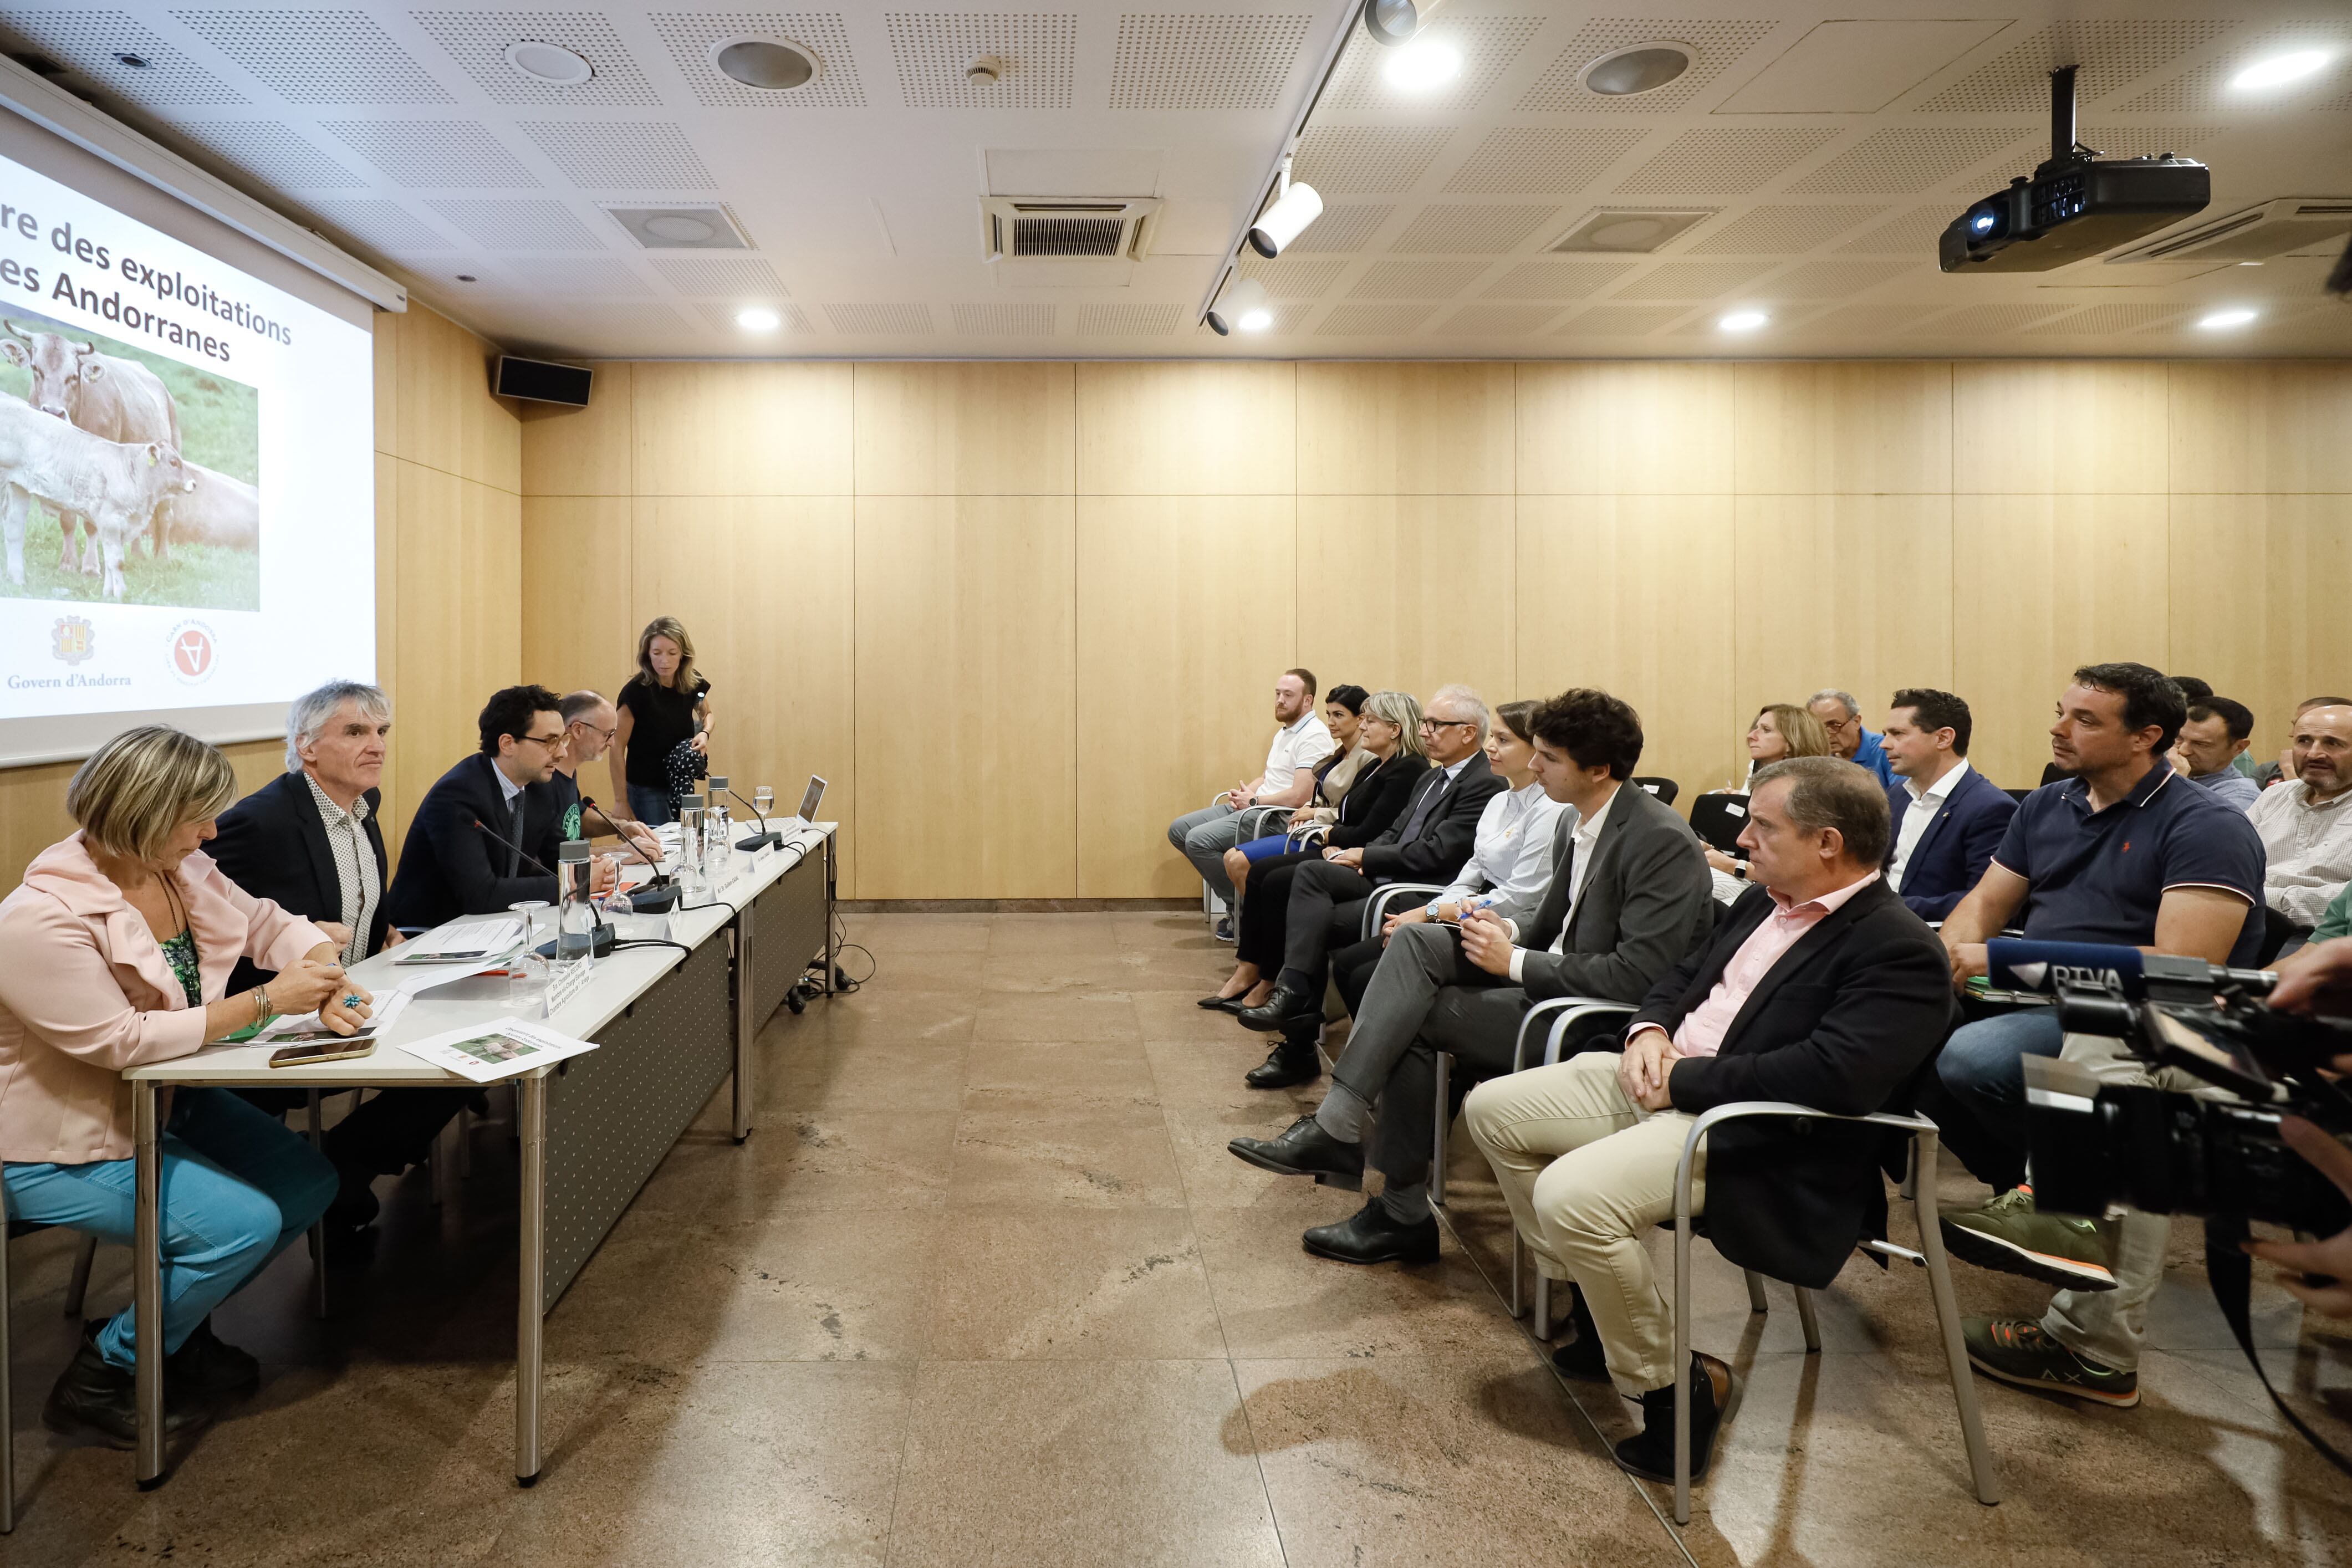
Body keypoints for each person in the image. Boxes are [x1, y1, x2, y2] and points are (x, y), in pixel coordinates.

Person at [1461, 757, 1950, 1482]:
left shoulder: (1896, 945)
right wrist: (1648, 1033)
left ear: (1826, 842)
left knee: (1571, 1195)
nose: (1740, 838)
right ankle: (1606, 1311)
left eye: (1762, 825)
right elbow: (1678, 978)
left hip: (1751, 1127)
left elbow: (1834, 1075)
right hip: (1665, 1077)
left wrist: (1683, 1079)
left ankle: (1674, 1386)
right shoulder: (1762, 899)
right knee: (1493, 1111)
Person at [1229, 689, 1716, 1268]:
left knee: (1411, 1023)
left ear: (1599, 769)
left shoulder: (1656, 838)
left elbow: (1640, 976)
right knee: (1415, 941)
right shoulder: (1582, 824)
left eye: (1548, 758)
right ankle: (1349, 1141)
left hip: (1591, 1020)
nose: (1533, 766)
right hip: (1549, 980)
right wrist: (1497, 925)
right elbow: (1548, 922)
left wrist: (1510, 960)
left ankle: (1388, 1196)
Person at [0, 726, 366, 1444]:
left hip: (164, 1099)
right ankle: (106, 1371)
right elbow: (120, 1042)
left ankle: (172, 1325)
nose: (211, 831)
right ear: (137, 812)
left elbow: (268, 924)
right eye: (193, 816)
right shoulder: (36, 920)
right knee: (241, 1227)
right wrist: (267, 1002)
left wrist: (325, 976)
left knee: (306, 1183)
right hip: (55, 1139)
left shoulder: (179, 869)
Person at [1930, 663, 2264, 1409]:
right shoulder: (2046, 803)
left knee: (2092, 1057)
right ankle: (2048, 1208)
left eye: (2084, 719)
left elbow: (2181, 967)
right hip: (2050, 1000)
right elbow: (1982, 903)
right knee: (1936, 1047)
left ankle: (2073, 1268)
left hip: (2179, 1020)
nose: (2057, 729)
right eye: (2060, 711)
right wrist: (1954, 953)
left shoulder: (2204, 825)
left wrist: (2011, 961)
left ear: (2146, 736)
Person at [208, 681, 439, 1242]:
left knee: (453, 1063)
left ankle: (345, 1166)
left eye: (381, 732)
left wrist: (379, 929)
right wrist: (299, 942)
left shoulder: (364, 807)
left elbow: (358, 902)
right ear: (306, 746)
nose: (377, 745)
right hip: (274, 1024)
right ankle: (336, 1178)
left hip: (355, 998)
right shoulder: (259, 821)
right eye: (357, 731)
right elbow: (198, 917)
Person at [1237, 697, 1564, 1089]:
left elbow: (1489, 880)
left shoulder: (1514, 796)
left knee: (1346, 956)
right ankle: (1305, 1028)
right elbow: (1465, 867)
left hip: (1475, 913)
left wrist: (1428, 909)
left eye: (1502, 740)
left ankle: (1377, 1075)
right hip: (1441, 899)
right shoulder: (1490, 796)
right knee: (1305, 895)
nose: (1490, 745)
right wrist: (1387, 873)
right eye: (1492, 737)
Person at [1231, 685, 1502, 1033]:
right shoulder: (1433, 776)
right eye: (1424, 723)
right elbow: (1396, 831)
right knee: (1306, 885)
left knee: (1307, 908)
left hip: (1418, 887)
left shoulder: (1483, 784)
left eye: (1435, 725)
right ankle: (1292, 1001)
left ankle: (1294, 1011)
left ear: (1467, 733)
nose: (1423, 731)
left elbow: (1438, 851)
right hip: (1386, 872)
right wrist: (1359, 856)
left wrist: (1368, 855)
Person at [1203, 691, 1426, 1018]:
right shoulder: (1378, 766)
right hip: (1342, 847)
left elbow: (1370, 831)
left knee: (1276, 879)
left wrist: (1331, 835)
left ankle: (1271, 979)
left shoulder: (1406, 770)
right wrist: (1334, 834)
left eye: (1370, 721)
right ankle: (1250, 968)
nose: (1363, 728)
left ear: (1394, 729)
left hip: (1365, 862)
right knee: (1260, 873)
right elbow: (1351, 818)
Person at [384, 685, 611, 933]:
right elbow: (481, 894)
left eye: (563, 740)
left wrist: (600, 866)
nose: (562, 752)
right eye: (551, 742)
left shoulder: (537, 786)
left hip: (496, 928)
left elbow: (558, 854)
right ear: (507, 744)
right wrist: (574, 882)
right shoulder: (457, 796)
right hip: (433, 934)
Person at [1165, 669, 1334, 938]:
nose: (1279, 700)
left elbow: (1300, 796)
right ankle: (1243, 905)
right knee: (1179, 830)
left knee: (1198, 841)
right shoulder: (1286, 732)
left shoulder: (1314, 736)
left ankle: (1243, 911)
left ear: (1308, 701)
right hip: (1257, 805)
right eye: (1278, 694)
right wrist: (1246, 793)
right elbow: (1270, 775)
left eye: (1288, 695)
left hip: (1277, 816)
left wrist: (1255, 800)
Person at [1219, 684, 1374, 903]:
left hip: (1328, 834)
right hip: (1309, 828)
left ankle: (1264, 924)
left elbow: (1354, 810)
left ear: (1360, 719)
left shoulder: (1367, 758)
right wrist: (1308, 808)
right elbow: (1320, 794)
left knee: (1240, 862)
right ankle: (1255, 921)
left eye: (1339, 715)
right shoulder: (1338, 752)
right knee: (1231, 857)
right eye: (1329, 714)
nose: (1331, 722)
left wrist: (1313, 814)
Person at [1877, 687, 2016, 921]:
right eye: (1886, 734)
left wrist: (1888, 909)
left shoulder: (1991, 808)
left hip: (1930, 937)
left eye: (1898, 734)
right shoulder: (1896, 795)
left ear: (1943, 738)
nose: (1884, 744)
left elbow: (1986, 901)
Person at [2246, 702, 2352, 953]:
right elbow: (2228, 864)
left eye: (2332, 743)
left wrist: (2266, 899)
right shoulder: (2275, 796)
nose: (2314, 754)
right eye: (2304, 741)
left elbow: (2344, 900)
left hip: (2323, 936)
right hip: (2247, 919)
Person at [609, 616, 715, 828]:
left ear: (683, 655)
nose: (664, 661)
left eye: (672, 653)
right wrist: (621, 801)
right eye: (657, 653)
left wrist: (705, 733)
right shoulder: (635, 693)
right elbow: (616, 746)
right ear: (647, 655)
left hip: (680, 783)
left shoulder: (694, 685)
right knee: (662, 850)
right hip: (646, 787)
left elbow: (707, 714)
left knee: (689, 841)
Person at [549, 689, 660, 861]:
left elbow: (578, 816)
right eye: (607, 734)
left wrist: (621, 826)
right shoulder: (544, 779)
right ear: (578, 730)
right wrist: (620, 853)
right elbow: (555, 855)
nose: (611, 743)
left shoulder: (568, 772)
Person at [2172, 696, 2260, 809]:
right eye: (2179, 738)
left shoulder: (2240, 796)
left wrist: (2176, 784)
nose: (2183, 751)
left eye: (2200, 744)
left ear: (2239, 748)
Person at [1809, 688, 1895, 786]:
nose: (1826, 735)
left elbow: (1903, 797)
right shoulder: (1819, 756)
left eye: (1834, 725)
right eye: (1819, 728)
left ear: (1856, 722)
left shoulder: (1885, 750)